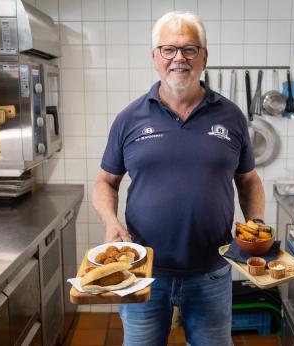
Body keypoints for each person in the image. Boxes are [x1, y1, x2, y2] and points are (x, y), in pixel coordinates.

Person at [92, 11, 265, 346]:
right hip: (143, 271)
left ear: (204, 57)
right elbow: (105, 182)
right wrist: (111, 221)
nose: (179, 59)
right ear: (155, 57)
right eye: (168, 50)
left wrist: (255, 222)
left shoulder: (231, 116)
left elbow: (249, 179)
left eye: (189, 49)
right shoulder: (129, 118)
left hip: (212, 270)